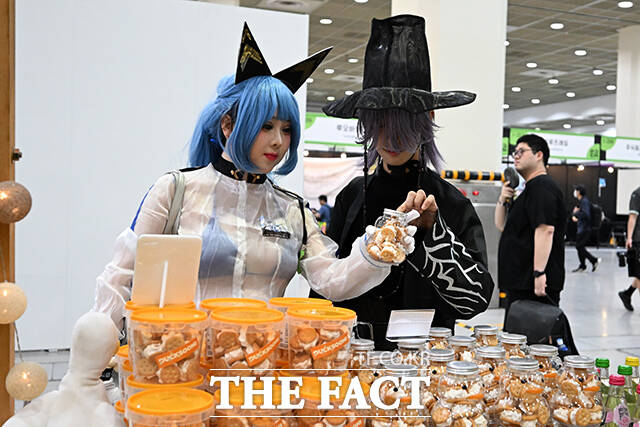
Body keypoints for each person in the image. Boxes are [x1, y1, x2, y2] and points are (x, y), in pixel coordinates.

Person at [91, 23, 415, 331]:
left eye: (286, 129)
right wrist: (96, 349)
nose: (278, 141)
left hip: (265, 362)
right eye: (266, 126)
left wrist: (375, 250)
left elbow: (330, 280)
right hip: (186, 360)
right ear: (228, 125)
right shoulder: (176, 190)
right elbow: (121, 276)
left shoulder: (294, 211)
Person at [309, 15, 494, 350]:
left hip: (426, 360)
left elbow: (476, 300)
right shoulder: (353, 195)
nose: (390, 139)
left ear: (428, 120)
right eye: (379, 124)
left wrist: (433, 235)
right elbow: (325, 285)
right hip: (355, 354)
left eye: (401, 125)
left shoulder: (449, 202)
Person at [495, 134, 567, 321]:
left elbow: (545, 230)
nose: (516, 156)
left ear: (539, 155)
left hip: (533, 283)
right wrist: (503, 199)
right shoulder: (529, 189)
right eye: (514, 152)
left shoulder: (543, 186)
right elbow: (501, 226)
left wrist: (539, 273)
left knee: (534, 335)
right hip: (520, 282)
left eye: (522, 151)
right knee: (517, 334)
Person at [618, 185, 640, 311]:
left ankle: (627, 294)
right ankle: (627, 294)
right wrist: (629, 238)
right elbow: (632, 217)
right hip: (638, 240)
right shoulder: (637, 194)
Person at [570, 184, 600, 272]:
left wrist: (576, 213)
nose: (575, 192)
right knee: (580, 247)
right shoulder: (582, 201)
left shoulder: (584, 201)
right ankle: (582, 265)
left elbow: (586, 214)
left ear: (579, 192)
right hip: (581, 228)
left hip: (585, 229)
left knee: (579, 247)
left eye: (576, 190)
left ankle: (593, 260)